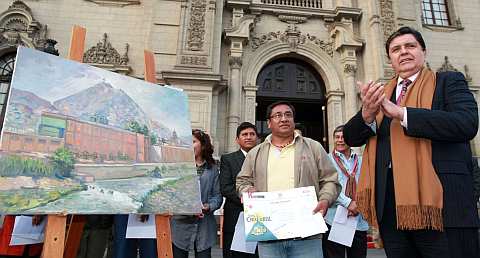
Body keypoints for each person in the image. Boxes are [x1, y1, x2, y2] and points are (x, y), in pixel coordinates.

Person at [343, 26, 479, 258]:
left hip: (442, 204)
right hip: (391, 208)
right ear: (391, 59)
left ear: (423, 52)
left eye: (410, 46)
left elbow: (466, 123)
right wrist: (366, 113)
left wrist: (402, 113)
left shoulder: (448, 81)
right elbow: (351, 137)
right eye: (396, 49)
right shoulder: (381, 94)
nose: (403, 52)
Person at [236, 101, 340, 258]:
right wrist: (246, 190)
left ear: (293, 120)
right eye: (278, 115)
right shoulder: (255, 153)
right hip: (269, 234)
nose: (284, 119)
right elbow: (242, 181)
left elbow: (330, 180)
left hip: (307, 234)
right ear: (269, 123)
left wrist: (325, 199)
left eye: (288, 115)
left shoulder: (314, 147)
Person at [171, 129, 222, 258]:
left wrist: (208, 206)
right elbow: (170, 195)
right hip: (179, 225)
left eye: (193, 142)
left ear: (203, 145)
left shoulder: (213, 169)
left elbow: (217, 196)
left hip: (204, 225)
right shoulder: (177, 168)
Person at [322, 125, 368, 258]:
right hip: (333, 219)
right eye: (337, 137)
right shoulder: (326, 159)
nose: (340, 140)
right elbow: (325, 186)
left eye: (343, 137)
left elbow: (367, 185)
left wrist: (359, 204)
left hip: (357, 219)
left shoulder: (361, 160)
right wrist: (348, 203)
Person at [220, 122, 259, 258]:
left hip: (262, 216)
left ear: (257, 138)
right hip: (237, 214)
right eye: (244, 134)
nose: (248, 137)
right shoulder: (228, 159)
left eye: (252, 134)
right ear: (237, 139)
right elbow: (225, 187)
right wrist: (248, 200)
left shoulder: (265, 157)